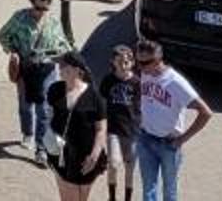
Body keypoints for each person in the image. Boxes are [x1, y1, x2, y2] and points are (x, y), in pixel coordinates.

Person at [0, 0, 74, 159]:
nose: (40, 12)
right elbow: (3, 35)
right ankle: (27, 132)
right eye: (37, 8)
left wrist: (65, 57)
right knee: (25, 105)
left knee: (44, 109)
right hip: (26, 68)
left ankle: (41, 148)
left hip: (47, 69)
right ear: (32, 3)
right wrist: (13, 51)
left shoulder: (53, 22)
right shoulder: (20, 18)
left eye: (44, 8)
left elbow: (64, 43)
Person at [132, 39, 211, 201]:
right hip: (145, 138)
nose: (139, 67)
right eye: (137, 61)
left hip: (168, 144)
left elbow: (206, 112)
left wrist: (181, 140)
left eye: (144, 63)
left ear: (158, 60)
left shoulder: (175, 82)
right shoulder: (145, 73)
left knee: (169, 192)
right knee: (148, 190)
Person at [50, 52, 111, 201]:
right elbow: (48, 116)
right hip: (59, 153)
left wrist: (94, 155)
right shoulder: (54, 89)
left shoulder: (94, 97)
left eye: (63, 65)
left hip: (86, 158)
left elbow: (101, 129)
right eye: (59, 64)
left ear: (77, 70)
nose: (59, 68)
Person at [99, 46, 142, 201]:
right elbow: (102, 103)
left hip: (132, 130)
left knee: (129, 166)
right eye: (120, 61)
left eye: (127, 61)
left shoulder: (137, 82)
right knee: (113, 163)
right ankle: (112, 197)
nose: (124, 64)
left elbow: (142, 106)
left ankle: (127, 198)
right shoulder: (108, 80)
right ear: (113, 62)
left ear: (133, 62)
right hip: (113, 129)